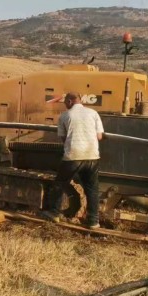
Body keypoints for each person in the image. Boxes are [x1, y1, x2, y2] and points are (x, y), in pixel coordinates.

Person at [42, 92, 104, 229]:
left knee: (60, 184)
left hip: (73, 156)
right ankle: (93, 221)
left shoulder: (65, 116)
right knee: (92, 189)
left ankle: (54, 213)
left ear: (70, 101)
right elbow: (99, 136)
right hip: (92, 156)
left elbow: (63, 139)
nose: (65, 104)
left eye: (65, 102)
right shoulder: (93, 113)